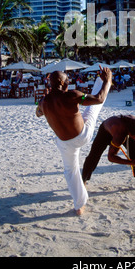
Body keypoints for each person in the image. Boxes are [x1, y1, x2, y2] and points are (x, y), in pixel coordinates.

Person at [36, 66, 112, 216]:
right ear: (63, 83)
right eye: (67, 81)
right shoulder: (72, 95)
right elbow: (99, 99)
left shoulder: (43, 102)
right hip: (82, 136)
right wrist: (107, 81)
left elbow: (38, 114)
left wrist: (41, 104)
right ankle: (102, 80)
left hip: (65, 143)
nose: (68, 83)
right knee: (92, 110)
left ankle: (79, 206)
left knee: (70, 171)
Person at [82, 114, 135, 190]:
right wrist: (129, 162)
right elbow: (111, 157)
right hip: (105, 131)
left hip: (125, 129)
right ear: (128, 132)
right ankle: (83, 181)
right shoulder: (119, 132)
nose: (134, 138)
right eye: (133, 135)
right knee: (94, 155)